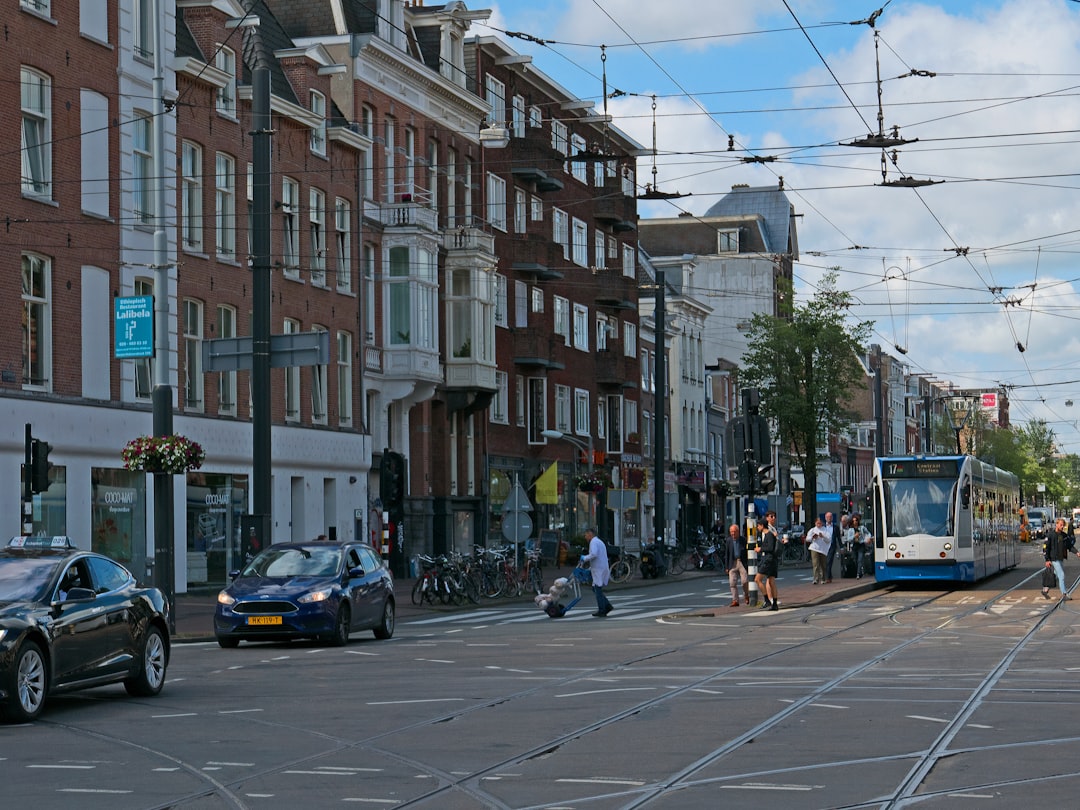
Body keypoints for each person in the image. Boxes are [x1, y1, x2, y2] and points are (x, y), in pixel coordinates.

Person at [754, 510, 786, 611]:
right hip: (772, 560)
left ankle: (767, 600)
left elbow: (770, 548)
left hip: (768, 560)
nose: (758, 528)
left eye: (758, 526)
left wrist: (760, 549)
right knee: (771, 581)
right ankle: (774, 604)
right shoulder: (770, 534)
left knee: (757, 579)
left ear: (762, 526)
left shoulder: (769, 535)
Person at [1041, 517, 1077, 600]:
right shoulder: (1050, 535)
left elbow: (1069, 546)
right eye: (1061, 525)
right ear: (1056, 524)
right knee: (1061, 575)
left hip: (1060, 558)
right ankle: (1064, 594)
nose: (1062, 527)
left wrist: (1077, 552)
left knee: (1055, 575)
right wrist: (1047, 559)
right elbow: (1045, 547)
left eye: (1063, 525)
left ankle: (1045, 589)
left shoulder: (1064, 535)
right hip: (1054, 559)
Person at [580, 528, 613, 617]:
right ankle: (607, 605)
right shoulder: (598, 541)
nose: (585, 537)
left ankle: (602, 609)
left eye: (586, 535)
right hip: (600, 567)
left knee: (597, 588)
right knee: (595, 588)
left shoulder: (593, 542)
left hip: (599, 569)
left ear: (590, 534)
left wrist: (584, 558)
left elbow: (594, 554)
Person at [721, 523, 750, 606]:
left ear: (738, 532)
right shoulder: (729, 540)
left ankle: (746, 595)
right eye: (731, 532)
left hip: (741, 562)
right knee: (732, 583)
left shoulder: (743, 540)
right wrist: (727, 566)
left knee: (744, 581)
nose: (733, 534)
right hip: (732, 563)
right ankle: (735, 600)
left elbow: (747, 552)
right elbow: (727, 553)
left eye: (734, 532)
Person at [805, 516, 831, 584]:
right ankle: (816, 579)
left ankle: (823, 578)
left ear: (822, 523)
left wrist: (823, 536)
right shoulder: (812, 530)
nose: (818, 524)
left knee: (823, 564)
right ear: (815, 523)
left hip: (823, 549)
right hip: (814, 548)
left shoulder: (825, 530)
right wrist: (812, 537)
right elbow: (807, 539)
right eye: (817, 523)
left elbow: (828, 539)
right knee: (815, 564)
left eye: (820, 523)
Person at [848, 513, 873, 579]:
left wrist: (868, 538)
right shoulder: (850, 530)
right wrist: (854, 536)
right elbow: (849, 539)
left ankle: (858, 574)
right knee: (855, 559)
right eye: (853, 521)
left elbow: (868, 533)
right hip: (854, 545)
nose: (855, 522)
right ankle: (860, 571)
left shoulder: (862, 528)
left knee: (860, 559)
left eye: (856, 520)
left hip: (861, 545)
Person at [823, 511, 841, 583]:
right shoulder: (823, 527)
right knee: (825, 562)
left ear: (832, 518)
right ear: (825, 518)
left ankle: (827, 577)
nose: (829, 518)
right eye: (827, 517)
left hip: (832, 546)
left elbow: (838, 538)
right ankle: (829, 576)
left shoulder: (835, 527)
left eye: (830, 517)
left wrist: (841, 547)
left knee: (829, 561)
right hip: (824, 546)